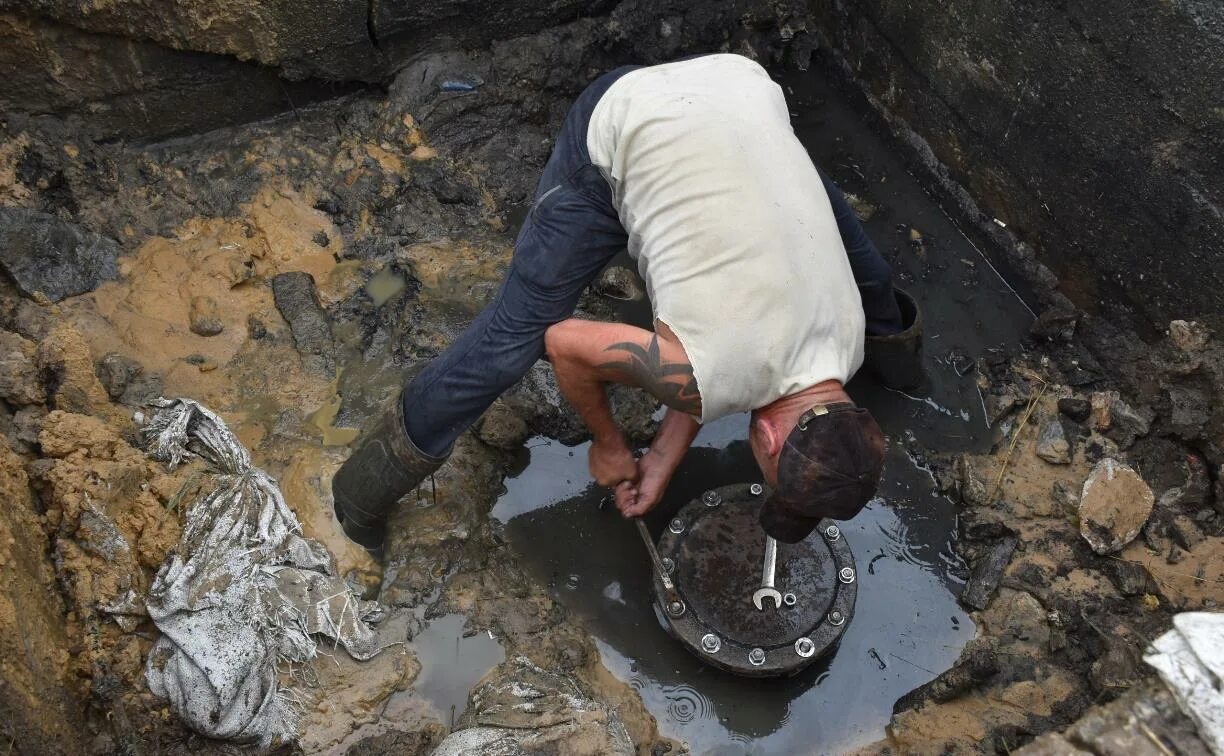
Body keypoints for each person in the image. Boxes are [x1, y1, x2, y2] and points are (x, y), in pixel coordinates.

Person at [331, 54, 923, 551]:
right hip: (622, 117)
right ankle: (358, 499)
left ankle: (906, 370)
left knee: (872, 276)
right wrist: (609, 445)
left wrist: (664, 453)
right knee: (509, 343)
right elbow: (564, 345)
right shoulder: (702, 375)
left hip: (737, 92)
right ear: (767, 444)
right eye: (772, 481)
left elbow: (729, 359)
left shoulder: (846, 338)